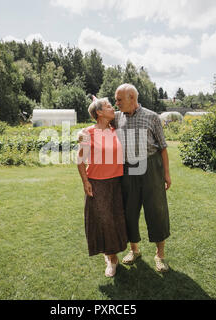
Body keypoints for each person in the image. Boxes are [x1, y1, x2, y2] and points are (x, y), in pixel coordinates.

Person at [114, 84, 172, 273]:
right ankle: (134, 250)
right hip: (128, 169)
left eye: (119, 99)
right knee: (129, 211)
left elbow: (163, 147)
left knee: (156, 209)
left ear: (132, 97)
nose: (116, 103)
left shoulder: (152, 117)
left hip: (150, 166)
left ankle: (160, 255)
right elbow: (97, 116)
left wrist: (166, 173)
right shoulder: (117, 117)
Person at [77, 97, 128, 278]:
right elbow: (80, 161)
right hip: (98, 183)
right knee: (104, 221)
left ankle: (111, 253)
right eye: (108, 106)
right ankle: (112, 259)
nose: (112, 108)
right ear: (99, 113)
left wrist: (101, 102)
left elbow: (128, 111)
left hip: (116, 182)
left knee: (116, 219)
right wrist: (85, 182)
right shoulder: (88, 132)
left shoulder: (115, 130)